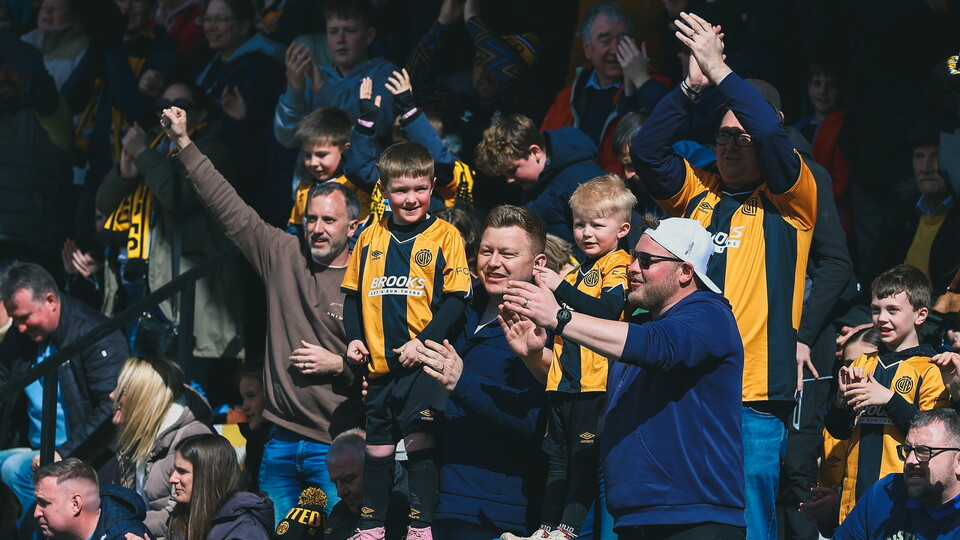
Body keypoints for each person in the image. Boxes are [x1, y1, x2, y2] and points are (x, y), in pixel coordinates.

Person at [630, 13, 817, 539]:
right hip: (687, 393)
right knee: (693, 522)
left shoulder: (792, 199)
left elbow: (775, 143)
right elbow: (646, 152)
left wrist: (718, 66)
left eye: (742, 135)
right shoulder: (697, 192)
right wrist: (691, 84)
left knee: (751, 524)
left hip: (753, 399)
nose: (730, 145)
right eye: (722, 136)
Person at [159, 105, 362, 520]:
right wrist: (183, 142)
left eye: (329, 220)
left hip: (337, 444)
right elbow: (228, 206)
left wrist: (340, 364)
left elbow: (387, 364)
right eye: (311, 219)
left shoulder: (369, 274)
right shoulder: (282, 254)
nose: (317, 228)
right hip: (280, 442)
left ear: (353, 227)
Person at [491, 216, 745, 539]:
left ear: (685, 271)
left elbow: (656, 345)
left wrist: (559, 316)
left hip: (695, 519)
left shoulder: (709, 314)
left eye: (647, 260)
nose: (632, 268)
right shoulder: (639, 328)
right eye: (634, 257)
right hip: (634, 519)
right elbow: (591, 382)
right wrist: (532, 355)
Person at [342, 141, 473, 540]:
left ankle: (421, 527)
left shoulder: (445, 235)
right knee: (377, 451)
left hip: (422, 364)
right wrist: (353, 340)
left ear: (432, 186)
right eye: (400, 190)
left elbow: (457, 300)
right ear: (383, 190)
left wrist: (424, 341)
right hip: (379, 366)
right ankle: (371, 527)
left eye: (419, 188)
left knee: (419, 445)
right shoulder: (368, 236)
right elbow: (351, 297)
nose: (411, 198)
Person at [502, 175, 632, 540]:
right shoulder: (574, 270)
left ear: (622, 229)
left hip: (596, 384)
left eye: (597, 224)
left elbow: (607, 310)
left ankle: (569, 529)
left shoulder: (619, 265)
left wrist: (560, 289)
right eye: (579, 224)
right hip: (562, 380)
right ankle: (545, 530)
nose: (586, 232)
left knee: (582, 459)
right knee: (556, 460)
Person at [415, 205, 549, 539]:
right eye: (487, 251)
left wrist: (462, 382)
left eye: (508, 253)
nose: (493, 262)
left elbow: (536, 421)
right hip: (431, 503)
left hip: (496, 513)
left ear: (538, 264)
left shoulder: (547, 328)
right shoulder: (456, 311)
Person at [96, 81, 244, 369]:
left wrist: (143, 155)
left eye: (180, 106)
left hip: (180, 289)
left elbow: (179, 196)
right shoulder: (150, 145)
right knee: (137, 386)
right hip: (137, 280)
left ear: (201, 114)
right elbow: (103, 205)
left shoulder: (210, 146)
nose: (168, 112)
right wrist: (125, 175)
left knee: (185, 384)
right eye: (161, 105)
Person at [0, 262, 129, 517]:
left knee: (14, 470)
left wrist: (64, 453)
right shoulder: (21, 337)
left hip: (82, 453)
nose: (20, 327)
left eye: (25, 317)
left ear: (50, 300)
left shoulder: (95, 334)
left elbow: (110, 408)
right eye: (15, 320)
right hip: (36, 448)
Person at [825, 264, 950, 524]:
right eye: (875, 309)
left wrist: (889, 399)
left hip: (901, 498)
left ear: (920, 315)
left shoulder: (931, 368)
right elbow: (839, 431)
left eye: (893, 310)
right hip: (854, 499)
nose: (882, 318)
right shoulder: (862, 362)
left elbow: (932, 440)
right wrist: (839, 402)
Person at [541, 1, 668, 176]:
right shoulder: (568, 97)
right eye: (605, 40)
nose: (615, 49)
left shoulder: (652, 88)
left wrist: (641, 80)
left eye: (623, 40)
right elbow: (543, 153)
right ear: (587, 48)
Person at [195, 0, 287, 221]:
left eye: (220, 19)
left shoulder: (257, 69)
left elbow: (256, 143)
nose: (210, 26)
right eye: (207, 19)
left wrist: (239, 121)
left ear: (245, 26)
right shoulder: (214, 63)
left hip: (247, 193)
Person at [110, 356, 213, 539]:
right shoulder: (136, 437)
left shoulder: (193, 436)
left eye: (123, 390)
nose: (112, 395)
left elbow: (178, 517)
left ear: (144, 396)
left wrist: (119, 526)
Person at [274, 0, 398, 147]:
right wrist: (295, 89)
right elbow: (287, 137)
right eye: (333, 31)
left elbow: (380, 124)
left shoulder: (384, 73)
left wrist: (325, 89)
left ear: (369, 35)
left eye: (350, 30)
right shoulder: (316, 75)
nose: (340, 39)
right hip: (315, 168)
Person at [0, 30, 73, 274]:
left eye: (12, 67)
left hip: (33, 247)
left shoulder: (48, 114)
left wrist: (6, 38)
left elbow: (40, 86)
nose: (4, 75)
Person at [475, 114, 606, 248]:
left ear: (535, 152)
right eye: (504, 174)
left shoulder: (581, 178)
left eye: (513, 170)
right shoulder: (534, 186)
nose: (509, 180)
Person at [799, 328, 881, 536]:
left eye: (865, 363)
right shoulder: (832, 431)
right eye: (848, 364)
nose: (854, 371)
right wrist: (825, 510)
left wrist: (842, 502)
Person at [833, 409, 960, 539]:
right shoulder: (886, 493)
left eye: (923, 451)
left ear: (959, 462)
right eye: (907, 450)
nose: (910, 461)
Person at [168, 434, 273, 540]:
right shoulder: (182, 516)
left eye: (182, 471)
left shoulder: (244, 530)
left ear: (209, 476)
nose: (172, 479)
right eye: (174, 470)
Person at [32, 457, 150, 540]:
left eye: (44, 503)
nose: (36, 513)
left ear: (75, 504)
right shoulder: (56, 533)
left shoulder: (126, 536)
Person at [325, 428, 408, 540]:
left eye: (348, 479)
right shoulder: (340, 513)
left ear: (374, 468)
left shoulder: (412, 507)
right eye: (335, 483)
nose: (340, 492)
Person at [19, 0, 89, 90]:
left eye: (57, 8)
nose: (47, 11)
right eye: (44, 7)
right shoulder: (25, 43)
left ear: (73, 16)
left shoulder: (81, 47)